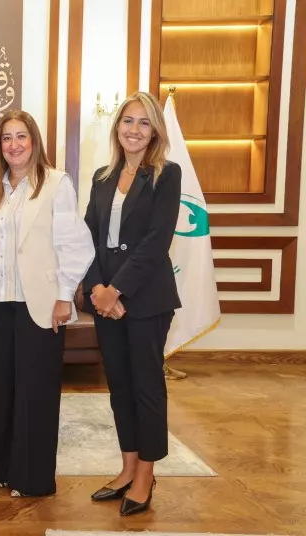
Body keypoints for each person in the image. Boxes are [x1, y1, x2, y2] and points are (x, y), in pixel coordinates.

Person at [0, 110, 94, 497]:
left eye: (21, 136)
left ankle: (31, 479)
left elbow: (74, 244)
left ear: (34, 141)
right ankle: (0, 469)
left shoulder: (56, 183)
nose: (14, 144)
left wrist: (64, 296)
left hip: (40, 304)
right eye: (7, 138)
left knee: (36, 392)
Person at [83, 91, 182, 516]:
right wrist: (96, 289)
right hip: (106, 300)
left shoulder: (167, 174)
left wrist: (116, 290)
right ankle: (126, 468)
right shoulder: (102, 177)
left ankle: (145, 475)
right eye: (128, 120)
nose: (134, 129)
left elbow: (156, 242)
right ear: (117, 127)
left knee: (146, 387)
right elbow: (87, 238)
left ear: (155, 131)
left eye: (144, 122)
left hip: (146, 299)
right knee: (119, 385)